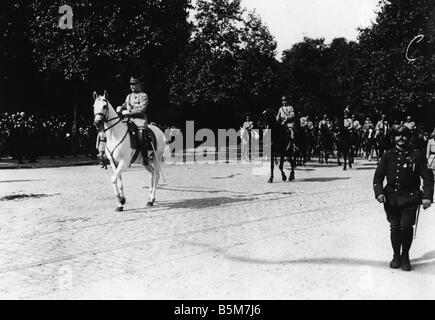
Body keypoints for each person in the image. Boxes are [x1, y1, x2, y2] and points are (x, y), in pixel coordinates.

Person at [373, 125, 434, 271]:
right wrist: (379, 192)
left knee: (406, 227)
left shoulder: (417, 155)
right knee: (394, 228)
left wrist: (427, 196)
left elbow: (427, 177)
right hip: (391, 198)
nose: (401, 138)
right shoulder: (387, 155)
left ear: (409, 138)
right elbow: (378, 176)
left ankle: (405, 255)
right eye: (397, 135)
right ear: (393, 138)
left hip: (410, 197)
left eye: (404, 135)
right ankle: (396, 255)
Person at [116, 76, 150, 165]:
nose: (132, 86)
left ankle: (145, 157)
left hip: (139, 120)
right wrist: (120, 108)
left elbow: (141, 109)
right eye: (131, 84)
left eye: (134, 84)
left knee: (141, 134)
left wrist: (129, 111)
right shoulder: (129, 96)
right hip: (128, 120)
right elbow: (124, 104)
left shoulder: (143, 95)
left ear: (139, 85)